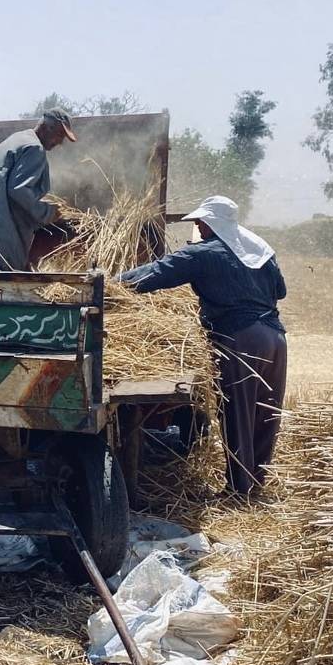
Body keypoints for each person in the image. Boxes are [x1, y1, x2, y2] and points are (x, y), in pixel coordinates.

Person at [115, 195, 287, 496]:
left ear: (210, 224)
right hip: (275, 339)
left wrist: (110, 284)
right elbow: (281, 291)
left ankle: (239, 490)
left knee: (238, 414)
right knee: (266, 413)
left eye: (199, 222)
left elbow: (157, 273)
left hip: (240, 338)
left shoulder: (203, 253)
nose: (197, 226)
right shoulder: (259, 250)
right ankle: (256, 484)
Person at [0, 109, 77, 270]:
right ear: (46, 128)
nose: (60, 142)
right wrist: (48, 212)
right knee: (4, 272)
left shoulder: (20, 138)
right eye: (60, 135)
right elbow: (19, 190)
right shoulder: (34, 148)